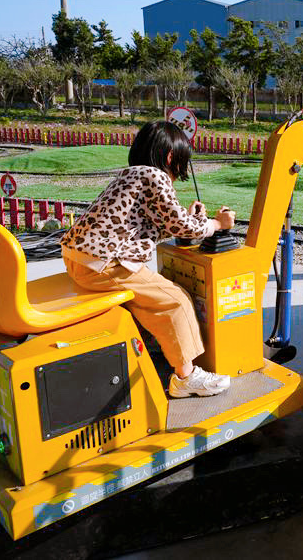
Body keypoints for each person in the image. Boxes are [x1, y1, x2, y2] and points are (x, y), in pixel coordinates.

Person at [60, 121, 236, 398]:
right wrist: (217, 223)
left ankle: (156, 350)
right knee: (174, 300)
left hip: (79, 259)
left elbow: (156, 223)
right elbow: (180, 226)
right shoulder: (154, 176)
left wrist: (197, 218)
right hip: (104, 263)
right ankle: (186, 377)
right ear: (170, 157)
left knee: (146, 298)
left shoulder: (129, 175)